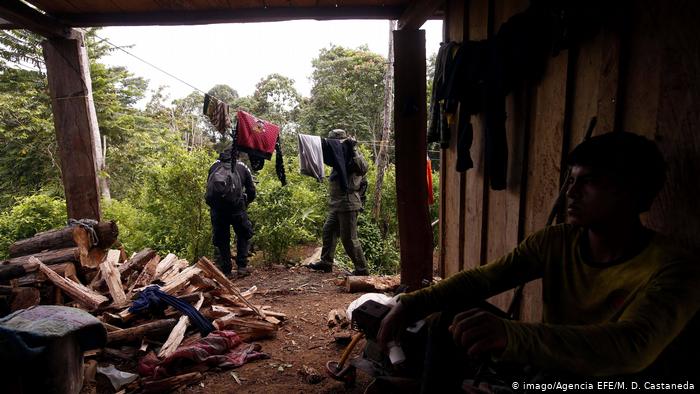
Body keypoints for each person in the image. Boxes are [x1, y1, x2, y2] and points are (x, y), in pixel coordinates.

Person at [377, 132, 700, 392]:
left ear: (635, 193)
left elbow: (632, 347)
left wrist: (513, 336)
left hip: (615, 377)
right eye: (571, 180)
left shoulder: (674, 267)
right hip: (553, 364)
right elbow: (485, 279)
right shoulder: (556, 240)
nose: (571, 193)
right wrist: (411, 304)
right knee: (449, 319)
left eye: (590, 181)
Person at [308, 129, 370, 276]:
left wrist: (353, 148)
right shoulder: (339, 160)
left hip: (348, 203)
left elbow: (363, 168)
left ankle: (362, 270)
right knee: (328, 231)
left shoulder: (351, 156)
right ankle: (326, 263)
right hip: (336, 204)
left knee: (349, 239)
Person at [207, 148, 256, 277]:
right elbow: (251, 190)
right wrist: (245, 203)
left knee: (222, 239)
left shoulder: (214, 166)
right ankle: (241, 267)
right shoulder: (242, 166)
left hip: (218, 210)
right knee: (243, 234)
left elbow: (210, 189)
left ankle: (226, 270)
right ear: (237, 155)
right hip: (237, 209)